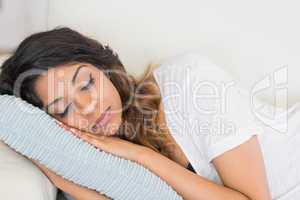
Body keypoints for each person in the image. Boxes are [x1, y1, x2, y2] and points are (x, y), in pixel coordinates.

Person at [1, 27, 300, 200]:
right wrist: (59, 177)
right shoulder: (99, 157)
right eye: (63, 109)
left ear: (105, 67)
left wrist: (143, 156)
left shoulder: (191, 80)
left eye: (87, 83)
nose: (87, 106)